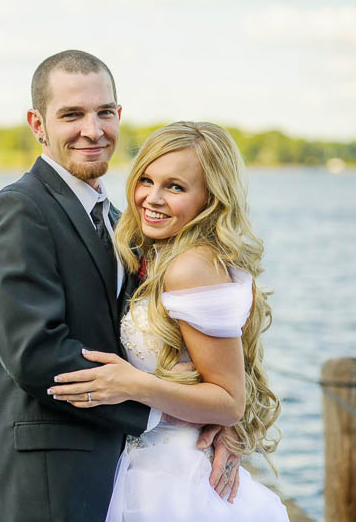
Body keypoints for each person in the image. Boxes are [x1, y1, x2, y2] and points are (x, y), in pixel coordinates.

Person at [0, 50, 238, 522]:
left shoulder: (120, 222)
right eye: (71, 114)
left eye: (104, 112)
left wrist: (220, 417)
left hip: (128, 470)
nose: (92, 130)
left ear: (119, 115)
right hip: (54, 472)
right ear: (38, 124)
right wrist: (166, 415)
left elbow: (191, 344)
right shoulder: (19, 210)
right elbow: (37, 356)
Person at [48, 121, 288, 520]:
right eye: (146, 180)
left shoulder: (191, 266)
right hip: (144, 460)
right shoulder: (157, 252)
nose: (151, 199)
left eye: (175, 187)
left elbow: (229, 401)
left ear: (210, 198)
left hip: (177, 477)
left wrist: (132, 384)